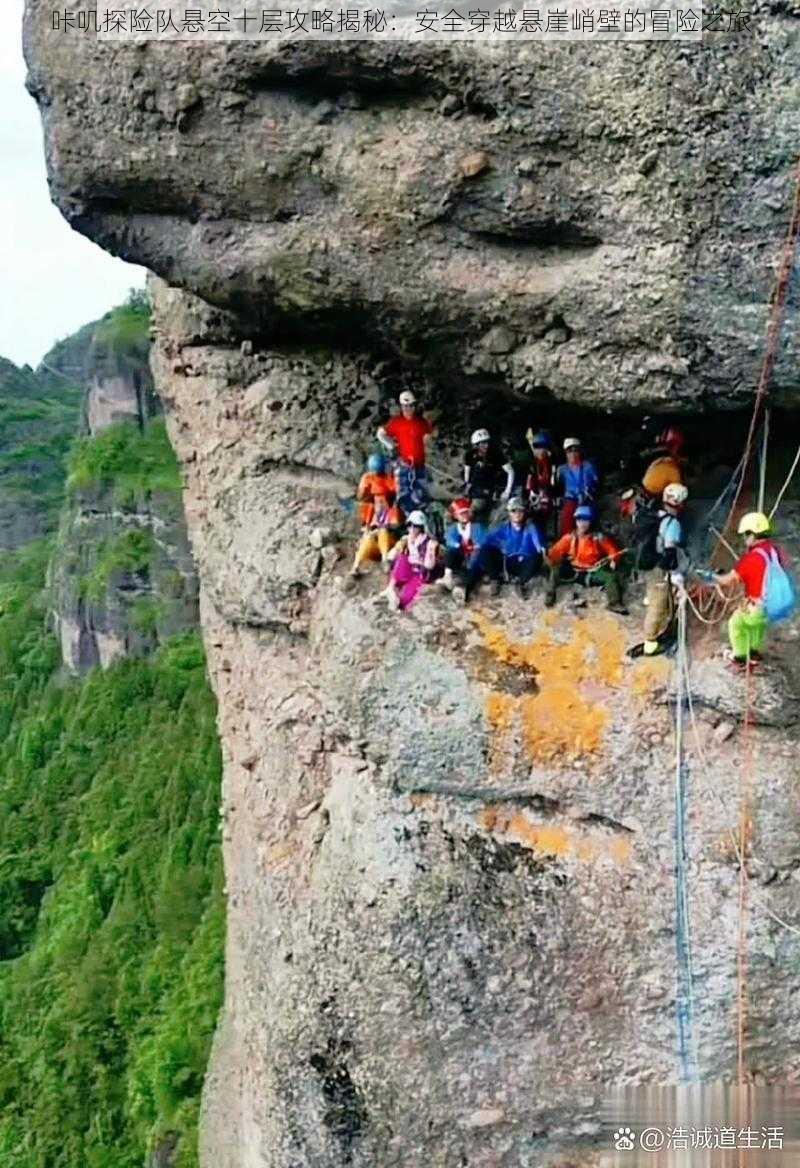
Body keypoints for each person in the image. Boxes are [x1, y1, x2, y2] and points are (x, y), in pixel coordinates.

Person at [711, 512, 791, 672]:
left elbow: (728, 580)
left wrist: (711, 577)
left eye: (746, 534)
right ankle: (754, 653)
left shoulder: (751, 558)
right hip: (773, 607)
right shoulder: (775, 550)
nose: (744, 538)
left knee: (736, 624)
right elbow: (783, 565)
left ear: (752, 534)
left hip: (757, 607)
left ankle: (740, 658)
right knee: (758, 627)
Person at [627, 482, 689, 658]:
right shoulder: (673, 523)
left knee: (660, 598)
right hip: (659, 567)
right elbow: (670, 552)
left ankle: (663, 627)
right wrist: (675, 573)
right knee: (658, 604)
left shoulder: (654, 515)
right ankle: (650, 643)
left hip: (648, 564)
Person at [544, 505, 628, 613]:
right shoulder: (569, 538)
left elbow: (613, 551)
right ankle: (550, 596)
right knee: (555, 569)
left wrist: (613, 560)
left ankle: (614, 603)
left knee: (610, 577)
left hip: (592, 572)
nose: (582, 523)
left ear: (590, 522)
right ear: (576, 521)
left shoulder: (598, 537)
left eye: (586, 520)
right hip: (574, 571)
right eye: (580, 519)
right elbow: (555, 552)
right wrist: (549, 558)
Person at [376, 391, 434, 513]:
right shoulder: (396, 422)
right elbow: (381, 434)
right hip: (404, 465)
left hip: (419, 465)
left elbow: (428, 435)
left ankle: (421, 523)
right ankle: (409, 523)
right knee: (404, 496)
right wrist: (391, 446)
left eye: (411, 405)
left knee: (422, 496)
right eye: (405, 406)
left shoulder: (421, 422)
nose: (408, 409)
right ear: (401, 407)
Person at [478, 497, 545, 599]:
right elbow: (487, 542)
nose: (517, 514)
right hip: (507, 562)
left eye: (520, 510)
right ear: (509, 513)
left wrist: (541, 548)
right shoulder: (503, 528)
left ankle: (521, 583)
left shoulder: (531, 528)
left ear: (525, 512)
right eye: (514, 510)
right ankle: (494, 580)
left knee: (538, 556)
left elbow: (539, 546)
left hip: (524, 564)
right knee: (485, 549)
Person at [382, 510, 440, 611]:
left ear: (421, 527)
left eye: (415, 526)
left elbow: (429, 565)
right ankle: (390, 588)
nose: (412, 529)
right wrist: (392, 556)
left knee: (407, 598)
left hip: (422, 573)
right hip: (410, 569)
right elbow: (392, 554)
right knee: (402, 559)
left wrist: (430, 551)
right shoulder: (406, 539)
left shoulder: (428, 542)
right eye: (410, 525)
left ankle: (398, 603)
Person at [442, 497, 487, 602]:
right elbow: (449, 540)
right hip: (461, 557)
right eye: (461, 514)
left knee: (475, 560)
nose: (464, 516)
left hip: (474, 559)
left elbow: (481, 541)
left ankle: (463, 588)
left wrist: (475, 547)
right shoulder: (453, 528)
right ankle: (447, 574)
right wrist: (458, 545)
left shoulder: (477, 526)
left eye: (466, 512)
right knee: (451, 551)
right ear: (456, 516)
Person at [463, 429, 513, 522]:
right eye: (482, 443)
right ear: (476, 445)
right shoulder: (469, 455)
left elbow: (510, 472)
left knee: (475, 508)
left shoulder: (496, 454)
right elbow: (467, 473)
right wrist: (467, 486)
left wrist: (507, 491)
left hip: (488, 488)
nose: (486, 445)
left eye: (487, 442)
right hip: (474, 488)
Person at [555, 437, 600, 537]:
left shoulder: (588, 466)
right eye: (569, 451)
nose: (573, 454)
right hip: (570, 500)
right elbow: (557, 487)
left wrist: (589, 491)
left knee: (586, 518)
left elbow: (596, 483)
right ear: (565, 453)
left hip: (586, 499)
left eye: (576, 450)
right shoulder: (561, 469)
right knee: (566, 520)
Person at [350, 490, 401, 577]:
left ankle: (385, 561)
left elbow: (394, 528)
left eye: (381, 502)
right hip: (376, 548)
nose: (379, 505)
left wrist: (377, 531)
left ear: (387, 503)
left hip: (390, 546)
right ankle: (355, 566)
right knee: (368, 539)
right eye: (376, 502)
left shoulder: (393, 513)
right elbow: (367, 532)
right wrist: (368, 533)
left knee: (383, 531)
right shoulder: (373, 517)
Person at [641, 426, 686, 500]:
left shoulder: (661, 459)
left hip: (645, 488)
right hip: (653, 495)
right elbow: (677, 491)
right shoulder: (672, 470)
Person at [525, 429, 555, 539]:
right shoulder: (533, 463)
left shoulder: (551, 462)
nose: (539, 451)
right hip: (535, 498)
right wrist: (532, 493)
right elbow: (529, 480)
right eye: (537, 447)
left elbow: (552, 482)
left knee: (544, 523)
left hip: (546, 497)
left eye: (542, 447)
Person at [356, 453, 398, 527]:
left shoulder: (369, 478)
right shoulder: (369, 478)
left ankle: (369, 526)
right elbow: (361, 495)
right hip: (381, 509)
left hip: (385, 510)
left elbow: (361, 495)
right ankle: (369, 525)